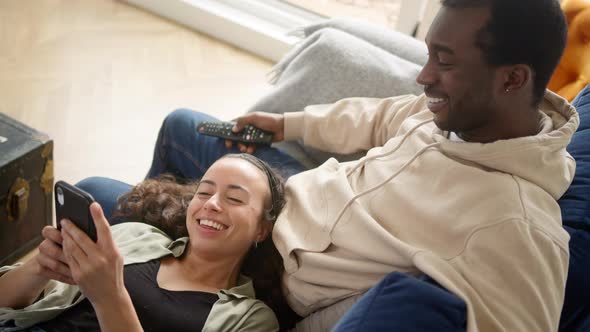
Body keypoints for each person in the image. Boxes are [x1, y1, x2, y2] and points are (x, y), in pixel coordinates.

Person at [137, 0, 577, 331]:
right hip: (288, 197)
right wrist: (286, 124)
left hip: (272, 264)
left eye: (444, 62)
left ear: (513, 79)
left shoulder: (516, 224)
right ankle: (149, 257)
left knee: (103, 196)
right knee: (183, 127)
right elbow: (380, 116)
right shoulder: (458, 114)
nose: (424, 77)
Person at [0, 154, 287, 332]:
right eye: (204, 192)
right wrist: (40, 267)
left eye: (234, 199)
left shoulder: (252, 321)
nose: (211, 204)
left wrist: (109, 297)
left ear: (262, 229)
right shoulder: (135, 236)